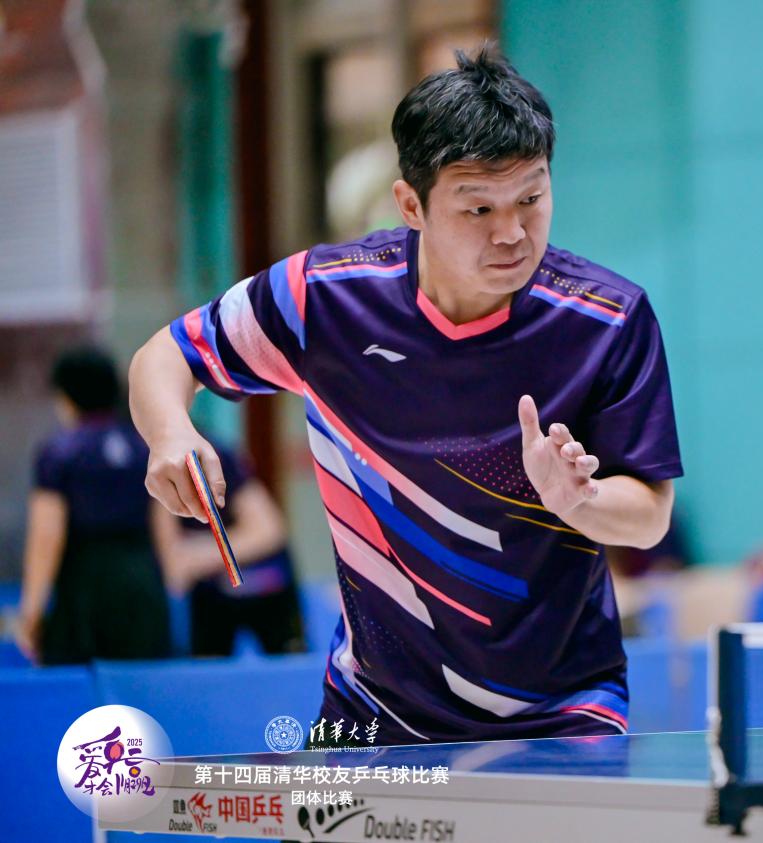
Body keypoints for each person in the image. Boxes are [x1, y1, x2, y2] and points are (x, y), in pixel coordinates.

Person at [128, 46, 680, 744]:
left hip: (562, 707)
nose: (511, 232)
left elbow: (650, 515)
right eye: (478, 207)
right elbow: (165, 356)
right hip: (374, 710)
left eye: (531, 198)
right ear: (411, 205)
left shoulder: (607, 319)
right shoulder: (322, 300)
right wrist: (171, 433)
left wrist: (580, 501)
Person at [16, 346, 172, 665]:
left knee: (76, 690)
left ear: (65, 397)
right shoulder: (142, 447)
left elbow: (47, 535)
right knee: (141, 686)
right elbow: (164, 529)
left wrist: (31, 609)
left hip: (83, 587)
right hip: (142, 584)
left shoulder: (59, 452)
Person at [153, 441, 306, 656]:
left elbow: (269, 530)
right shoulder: (157, 471)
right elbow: (175, 570)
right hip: (210, 597)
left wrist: (200, 553)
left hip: (263, 585)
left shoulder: (216, 457)